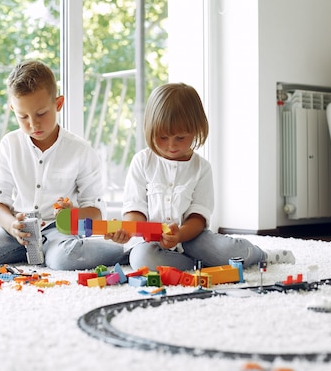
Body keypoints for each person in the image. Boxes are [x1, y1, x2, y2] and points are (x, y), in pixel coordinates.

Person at [0, 60, 127, 270]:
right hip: (15, 232)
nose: (33, 124)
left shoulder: (81, 150)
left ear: (58, 104)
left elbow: (95, 212)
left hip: (59, 233)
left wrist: (73, 214)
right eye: (23, 116)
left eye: (41, 114)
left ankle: (124, 254)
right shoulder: (10, 144)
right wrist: (11, 225)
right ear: (13, 109)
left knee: (65, 259)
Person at [104, 83, 294, 271]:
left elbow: (198, 217)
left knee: (228, 248)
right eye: (163, 137)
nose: (171, 145)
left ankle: (262, 255)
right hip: (151, 244)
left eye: (180, 138)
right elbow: (135, 209)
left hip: (192, 240)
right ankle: (201, 265)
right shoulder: (142, 162)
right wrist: (126, 229)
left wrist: (180, 235)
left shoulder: (201, 168)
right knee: (143, 260)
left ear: (196, 130)